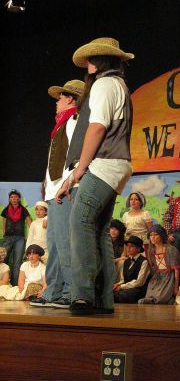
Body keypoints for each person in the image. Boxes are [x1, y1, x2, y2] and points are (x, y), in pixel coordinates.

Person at [59, 37, 134, 315]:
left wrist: (79, 170)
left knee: (79, 223)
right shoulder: (121, 85)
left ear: (99, 61)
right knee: (99, 230)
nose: (87, 64)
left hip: (105, 163)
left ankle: (82, 295)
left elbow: (98, 128)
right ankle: (103, 299)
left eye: (91, 59)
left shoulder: (104, 84)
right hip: (118, 165)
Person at [30, 79, 85, 309]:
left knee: (64, 243)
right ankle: (53, 289)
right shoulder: (61, 124)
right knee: (53, 244)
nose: (57, 102)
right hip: (54, 192)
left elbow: (81, 155)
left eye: (60, 97)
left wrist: (70, 182)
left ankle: (71, 291)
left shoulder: (75, 120)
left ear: (70, 98)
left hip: (67, 190)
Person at [139, 224, 180, 304]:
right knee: (151, 294)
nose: (153, 237)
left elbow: (176, 270)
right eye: (151, 235)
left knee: (160, 298)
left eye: (156, 235)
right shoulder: (151, 251)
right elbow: (153, 268)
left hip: (169, 277)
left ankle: (169, 299)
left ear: (161, 236)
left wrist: (175, 287)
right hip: (158, 276)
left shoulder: (170, 249)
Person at [1, 189, 32, 286]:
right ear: (9, 199)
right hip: (8, 238)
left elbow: (30, 222)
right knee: (2, 259)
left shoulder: (23, 209)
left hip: (20, 239)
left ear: (19, 199)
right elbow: (4, 223)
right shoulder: (6, 210)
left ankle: (14, 284)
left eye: (16, 197)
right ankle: (3, 282)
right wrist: (4, 235)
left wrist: (33, 233)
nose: (14, 199)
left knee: (17, 262)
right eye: (11, 197)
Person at [113, 236, 150, 303]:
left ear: (138, 249)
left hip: (138, 289)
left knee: (122, 295)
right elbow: (123, 279)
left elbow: (139, 282)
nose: (128, 248)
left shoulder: (144, 262)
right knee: (110, 292)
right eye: (127, 246)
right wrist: (117, 284)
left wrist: (121, 287)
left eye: (131, 246)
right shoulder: (126, 261)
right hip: (126, 287)